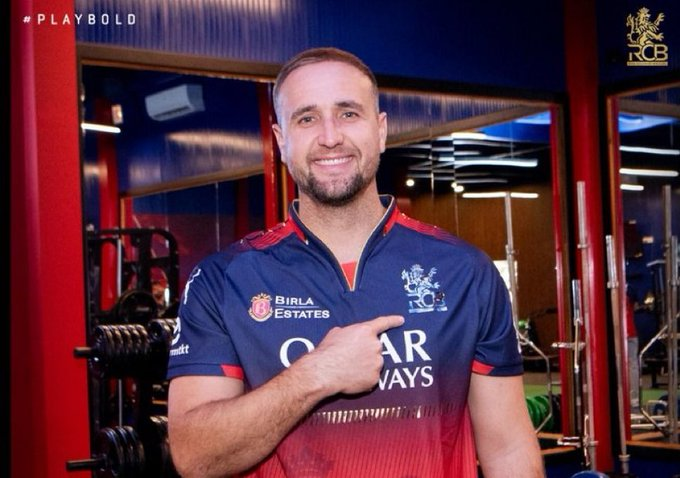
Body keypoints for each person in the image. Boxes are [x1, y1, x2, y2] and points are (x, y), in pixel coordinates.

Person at [166, 47, 545, 478]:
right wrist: (316, 374)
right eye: (307, 118)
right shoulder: (223, 281)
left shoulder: (465, 272)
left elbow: (508, 450)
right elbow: (194, 456)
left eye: (348, 113)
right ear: (281, 141)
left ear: (380, 131)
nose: (330, 136)